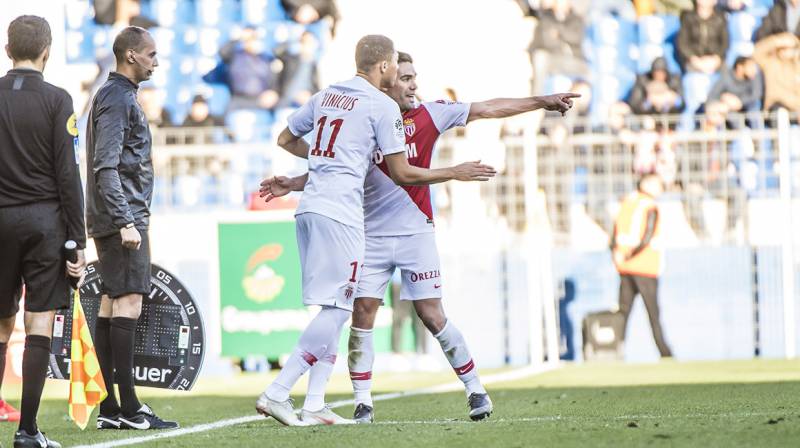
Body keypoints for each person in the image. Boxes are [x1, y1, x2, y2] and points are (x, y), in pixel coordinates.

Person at [261, 51, 578, 422]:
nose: (413, 85)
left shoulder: (431, 113)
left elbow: (487, 108)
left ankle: (475, 389)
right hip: (371, 235)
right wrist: (297, 182)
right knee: (361, 314)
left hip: (416, 233)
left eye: (415, 77)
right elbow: (349, 167)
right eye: (406, 78)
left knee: (431, 314)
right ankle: (362, 402)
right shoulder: (371, 114)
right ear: (387, 80)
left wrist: (541, 101)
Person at [85, 26, 178, 431]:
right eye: (151, 54)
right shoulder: (118, 99)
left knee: (110, 304)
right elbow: (105, 165)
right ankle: (131, 408)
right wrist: (125, 219)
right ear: (130, 56)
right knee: (128, 304)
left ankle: (110, 408)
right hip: (122, 217)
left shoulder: (113, 96)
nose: (156, 61)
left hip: (113, 215)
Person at [0, 15, 86, 448]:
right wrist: (79, 241)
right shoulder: (58, 100)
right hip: (43, 223)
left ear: (6, 49)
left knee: (0, 326)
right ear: (47, 51)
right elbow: (69, 175)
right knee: (38, 324)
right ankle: (27, 432)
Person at [610, 174, 673, 358]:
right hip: (645, 267)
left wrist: (618, 253)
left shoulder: (627, 202)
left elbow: (614, 233)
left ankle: (614, 350)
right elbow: (647, 236)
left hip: (625, 266)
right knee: (653, 314)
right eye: (658, 184)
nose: (660, 188)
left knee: (623, 311)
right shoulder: (649, 206)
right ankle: (665, 353)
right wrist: (629, 254)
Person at [753, 32, 800, 114]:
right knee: (781, 113)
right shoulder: (770, 63)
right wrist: (778, 41)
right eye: (783, 48)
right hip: (776, 108)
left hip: (795, 109)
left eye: (793, 48)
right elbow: (756, 52)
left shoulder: (797, 67)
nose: (788, 51)